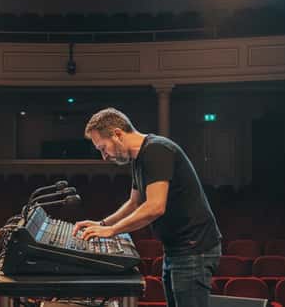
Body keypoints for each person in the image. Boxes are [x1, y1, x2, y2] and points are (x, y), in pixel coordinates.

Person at [73, 107, 222, 307]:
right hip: (177, 249)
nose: (104, 156)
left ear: (117, 134)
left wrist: (112, 230)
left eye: (103, 148)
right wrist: (102, 224)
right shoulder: (139, 158)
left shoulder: (156, 150)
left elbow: (155, 207)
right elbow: (134, 202)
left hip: (194, 249)